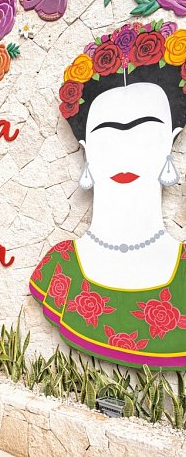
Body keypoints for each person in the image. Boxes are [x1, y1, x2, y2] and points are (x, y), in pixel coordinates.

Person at [30, 21, 186, 370]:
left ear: (171, 140)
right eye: (108, 131)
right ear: (86, 149)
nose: (125, 150)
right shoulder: (60, 269)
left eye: (144, 130)